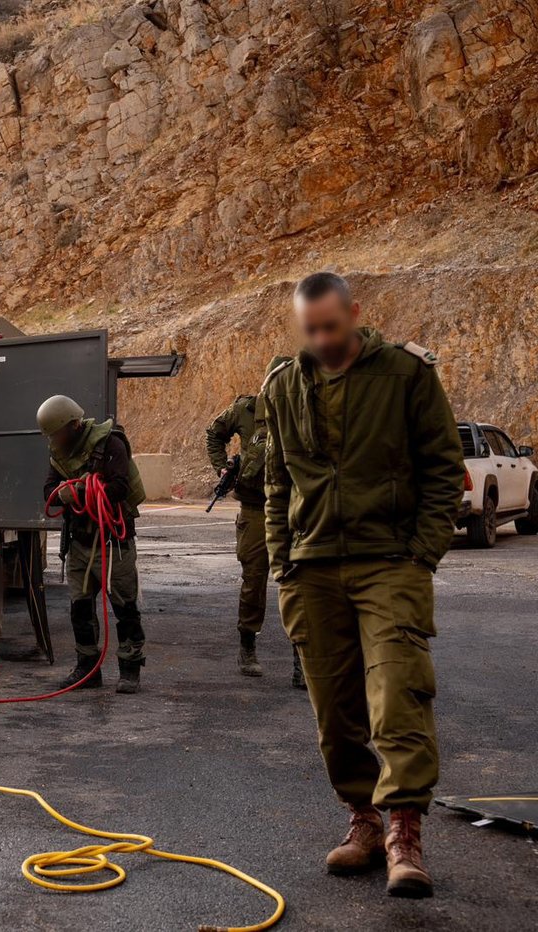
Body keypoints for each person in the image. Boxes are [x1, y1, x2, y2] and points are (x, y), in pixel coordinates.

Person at [259, 272, 464, 898]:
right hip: (311, 565)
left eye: (331, 325)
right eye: (310, 328)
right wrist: (281, 561)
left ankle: (405, 831)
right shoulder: (283, 386)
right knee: (334, 710)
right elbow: (276, 480)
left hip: (388, 563)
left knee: (398, 692)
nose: (321, 338)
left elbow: (444, 468)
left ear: (354, 313)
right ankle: (363, 822)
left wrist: (421, 555)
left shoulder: (406, 375)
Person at [205, 356, 306, 685]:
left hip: (295, 509)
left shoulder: (305, 411)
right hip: (255, 508)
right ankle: (247, 645)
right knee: (254, 581)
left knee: (300, 584)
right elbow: (214, 434)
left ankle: (301, 660)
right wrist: (222, 467)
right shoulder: (246, 411)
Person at [38, 394, 147, 694]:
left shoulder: (110, 444)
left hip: (114, 542)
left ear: (73, 425)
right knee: (80, 609)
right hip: (80, 543)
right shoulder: (60, 453)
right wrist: (62, 493)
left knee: (124, 608)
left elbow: (119, 487)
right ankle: (87, 669)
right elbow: (48, 487)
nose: (54, 440)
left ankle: (130, 669)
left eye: (56, 433)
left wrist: (83, 491)